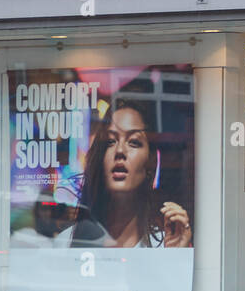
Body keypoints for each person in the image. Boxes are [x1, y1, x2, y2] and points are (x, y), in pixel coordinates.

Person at [65, 99, 192, 248]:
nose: (120, 151)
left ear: (150, 161)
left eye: (134, 142)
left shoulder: (167, 245)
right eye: (110, 142)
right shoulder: (65, 243)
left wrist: (177, 255)